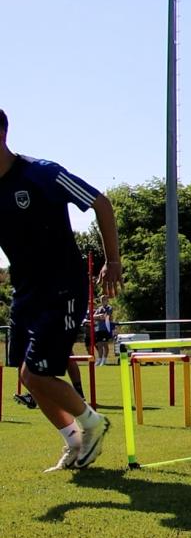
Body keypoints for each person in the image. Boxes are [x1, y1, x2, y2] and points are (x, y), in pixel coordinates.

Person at [0, 108, 120, 471]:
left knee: (37, 373)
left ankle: (93, 423)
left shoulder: (42, 173)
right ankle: (76, 440)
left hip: (62, 287)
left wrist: (112, 261)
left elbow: (100, 203)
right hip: (26, 290)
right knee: (27, 377)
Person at [93, 296, 114, 365]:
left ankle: (104, 359)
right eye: (102, 300)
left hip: (106, 329)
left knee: (105, 345)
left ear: (107, 300)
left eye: (104, 299)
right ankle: (99, 359)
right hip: (99, 329)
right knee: (99, 345)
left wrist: (100, 317)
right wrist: (99, 316)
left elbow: (107, 316)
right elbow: (93, 316)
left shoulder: (109, 307)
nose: (103, 301)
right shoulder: (99, 308)